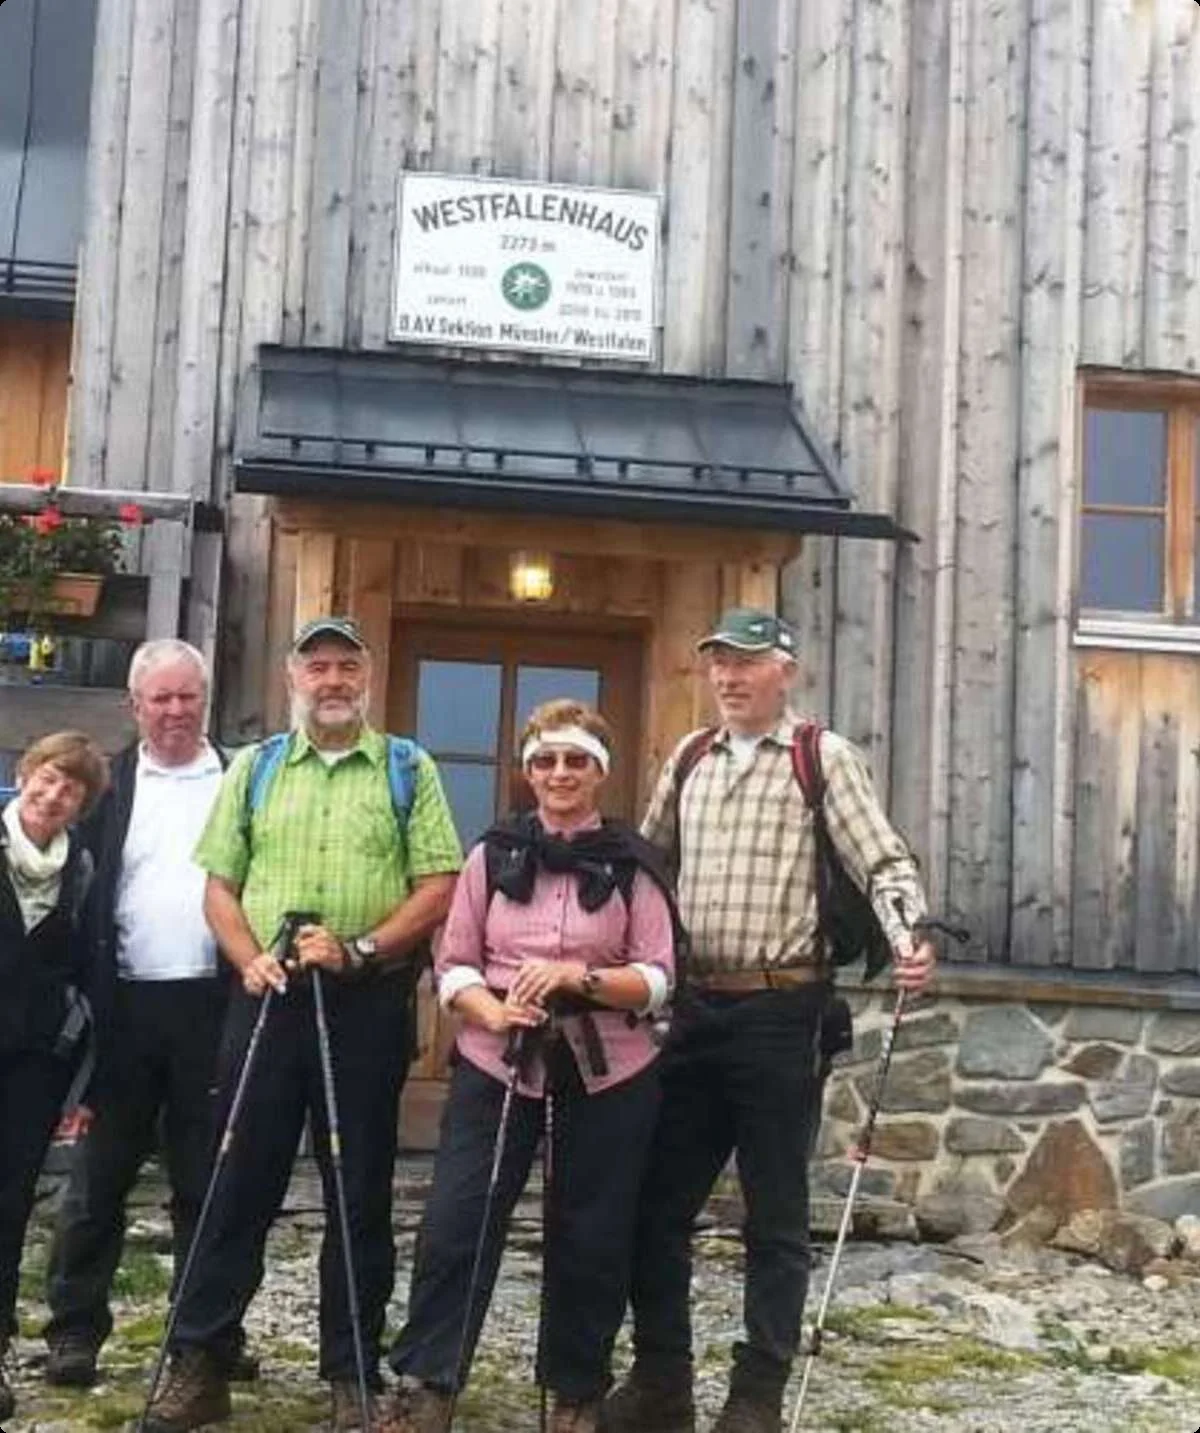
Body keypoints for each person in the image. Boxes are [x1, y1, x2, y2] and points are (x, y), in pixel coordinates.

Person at [600, 608, 936, 1433]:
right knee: (657, 1205)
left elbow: (883, 857)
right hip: (691, 1011)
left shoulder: (822, 757)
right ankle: (661, 1384)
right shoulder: (687, 760)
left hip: (784, 1013)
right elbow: (644, 870)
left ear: (785, 668)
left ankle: (756, 1398)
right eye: (718, 662)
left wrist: (909, 935)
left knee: (775, 1214)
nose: (729, 677)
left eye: (747, 662)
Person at [142, 615, 462, 1433]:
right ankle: (201, 1358)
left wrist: (359, 946)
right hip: (267, 995)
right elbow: (219, 883)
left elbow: (437, 884)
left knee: (358, 1188)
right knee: (234, 1179)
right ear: (294, 677)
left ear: (366, 676)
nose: (331, 680)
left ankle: (350, 1369)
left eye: (345, 666)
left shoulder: (405, 767)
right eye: (316, 666)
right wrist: (248, 955)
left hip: (364, 999)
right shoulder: (255, 768)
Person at [385, 700, 677, 1433]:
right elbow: (453, 964)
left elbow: (659, 976)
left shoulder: (633, 864)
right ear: (528, 769)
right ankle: (429, 1383)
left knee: (591, 1231)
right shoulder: (491, 854)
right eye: (546, 759)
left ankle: (573, 1391)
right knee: (457, 1221)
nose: (559, 773)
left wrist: (578, 977)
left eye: (576, 759)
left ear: (600, 771)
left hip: (609, 1070)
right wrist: (488, 1010)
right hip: (499, 1062)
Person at [41, 640, 256, 1389]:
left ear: (206, 698)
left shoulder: (242, 778)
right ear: (135, 705)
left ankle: (202, 1338)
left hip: (214, 1002)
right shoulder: (108, 785)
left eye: (186, 696)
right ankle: (73, 1331)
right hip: (123, 1007)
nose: (174, 710)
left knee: (209, 1185)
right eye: (159, 698)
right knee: (98, 1184)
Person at [0, 731, 109, 1422]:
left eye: (71, 787)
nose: (54, 793)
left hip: (37, 1064)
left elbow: (91, 977)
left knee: (8, 1207)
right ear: (24, 774)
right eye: (47, 776)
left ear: (82, 804)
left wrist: (86, 1084)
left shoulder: (84, 873)